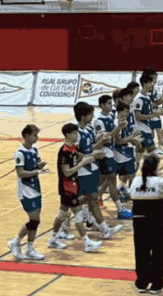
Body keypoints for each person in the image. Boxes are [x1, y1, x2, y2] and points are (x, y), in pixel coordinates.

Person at [47, 123, 102, 253]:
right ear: (67, 135)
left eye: (77, 133)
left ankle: (53, 238)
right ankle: (87, 242)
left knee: (62, 214)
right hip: (66, 187)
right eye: (74, 134)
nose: (76, 136)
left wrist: (94, 155)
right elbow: (67, 172)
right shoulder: (65, 152)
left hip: (73, 185)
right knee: (78, 213)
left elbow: (83, 157)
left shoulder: (75, 148)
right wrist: (82, 163)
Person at [75, 101, 123, 242]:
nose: (92, 116)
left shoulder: (88, 129)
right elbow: (75, 154)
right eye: (90, 114)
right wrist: (93, 155)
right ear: (83, 116)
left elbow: (91, 147)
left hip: (93, 168)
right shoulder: (76, 133)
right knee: (91, 199)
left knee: (91, 199)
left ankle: (91, 222)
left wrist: (100, 143)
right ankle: (104, 229)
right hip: (84, 171)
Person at [7, 124, 50, 261]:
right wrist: (37, 171)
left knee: (36, 220)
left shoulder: (35, 149)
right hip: (25, 190)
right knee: (34, 219)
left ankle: (30, 248)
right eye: (34, 135)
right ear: (26, 136)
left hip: (35, 187)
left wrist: (40, 166)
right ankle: (16, 241)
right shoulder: (20, 153)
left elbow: (33, 166)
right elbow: (20, 173)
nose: (37, 138)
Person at [131, 154, 163, 294]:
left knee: (141, 251)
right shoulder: (161, 182)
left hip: (139, 221)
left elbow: (132, 194)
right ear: (156, 167)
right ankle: (156, 283)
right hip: (156, 220)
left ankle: (142, 282)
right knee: (157, 251)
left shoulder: (136, 180)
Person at [93, 92, 131, 220]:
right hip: (104, 154)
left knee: (103, 181)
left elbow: (113, 136)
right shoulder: (98, 120)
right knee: (111, 181)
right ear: (102, 105)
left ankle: (90, 201)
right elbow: (106, 138)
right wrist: (119, 127)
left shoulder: (110, 116)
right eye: (109, 103)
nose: (111, 105)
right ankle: (120, 210)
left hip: (110, 153)